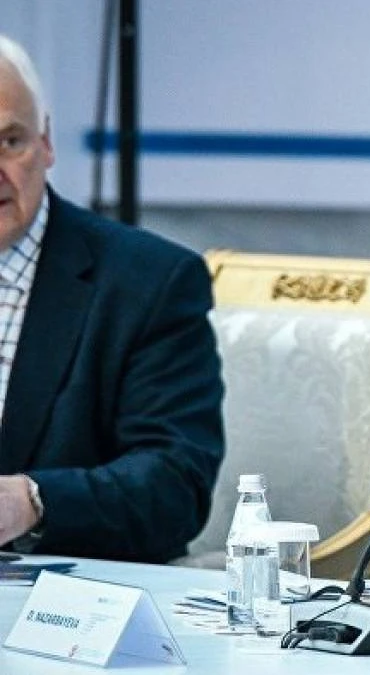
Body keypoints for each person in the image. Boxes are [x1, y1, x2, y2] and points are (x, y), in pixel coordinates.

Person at [0, 34, 224, 563]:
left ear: (46, 142)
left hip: (62, 595)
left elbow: (175, 485)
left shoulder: (149, 283)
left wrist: (32, 502)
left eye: (10, 141)